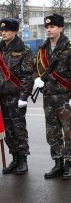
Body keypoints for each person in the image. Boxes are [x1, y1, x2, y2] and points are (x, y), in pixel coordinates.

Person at [34, 14, 71, 180]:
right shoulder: (43, 48)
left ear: (61, 28)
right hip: (48, 97)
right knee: (52, 132)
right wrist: (37, 78)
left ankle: (69, 165)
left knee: (68, 133)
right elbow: (37, 67)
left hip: (65, 97)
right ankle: (58, 163)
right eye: (47, 27)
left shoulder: (70, 47)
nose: (49, 29)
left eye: (53, 26)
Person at [0, 18, 34, 175]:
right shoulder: (0, 50)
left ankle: (23, 160)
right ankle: (14, 158)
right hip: (1, 97)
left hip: (15, 97)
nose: (3, 33)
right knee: (7, 131)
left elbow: (28, 76)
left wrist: (23, 97)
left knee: (19, 129)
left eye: (6, 30)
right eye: (1, 30)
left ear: (14, 31)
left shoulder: (24, 51)